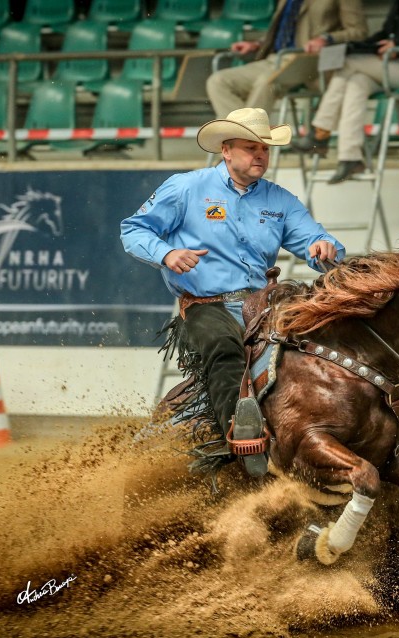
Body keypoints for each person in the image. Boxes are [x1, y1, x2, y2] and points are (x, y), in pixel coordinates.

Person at [120, 107, 346, 478]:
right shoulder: (186, 188)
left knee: (321, 345)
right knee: (225, 348)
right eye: (249, 148)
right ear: (226, 150)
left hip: (263, 305)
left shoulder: (280, 201)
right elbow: (134, 230)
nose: (259, 155)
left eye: (264, 149)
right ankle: (240, 447)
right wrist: (168, 253)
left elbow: (317, 240)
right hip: (207, 305)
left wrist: (325, 248)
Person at [290, 0, 399, 184]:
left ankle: (320, 133)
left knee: (347, 63)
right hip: (394, 65)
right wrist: (365, 46)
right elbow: (385, 33)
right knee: (356, 82)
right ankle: (350, 157)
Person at [205, 0, 368, 119]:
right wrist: (257, 44)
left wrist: (327, 38)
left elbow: (359, 31)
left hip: (308, 60)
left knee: (267, 81)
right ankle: (244, 142)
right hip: (275, 58)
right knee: (218, 81)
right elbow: (283, 32)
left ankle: (241, 147)